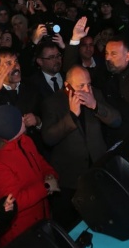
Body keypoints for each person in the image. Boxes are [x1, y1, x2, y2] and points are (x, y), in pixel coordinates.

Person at [41, 65, 121, 230]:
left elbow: (116, 120)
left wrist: (95, 106)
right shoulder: (52, 103)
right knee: (71, 224)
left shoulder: (95, 94)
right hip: (70, 178)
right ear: (67, 86)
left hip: (96, 170)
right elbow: (48, 138)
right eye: (81, 86)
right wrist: (71, 115)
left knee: (99, 216)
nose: (86, 90)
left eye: (89, 84)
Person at [0, 104, 59, 248]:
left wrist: (50, 175)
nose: (23, 119)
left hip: (42, 218)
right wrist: (46, 187)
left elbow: (40, 163)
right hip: (22, 234)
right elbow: (14, 202)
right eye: (19, 118)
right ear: (10, 127)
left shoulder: (25, 140)